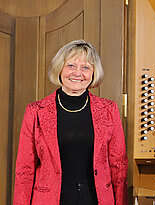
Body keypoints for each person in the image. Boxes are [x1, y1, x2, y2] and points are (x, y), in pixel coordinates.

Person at [14, 39, 128, 205]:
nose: (77, 73)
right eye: (71, 66)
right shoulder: (36, 111)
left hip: (97, 199)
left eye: (86, 67)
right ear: (59, 69)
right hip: (49, 199)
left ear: (93, 73)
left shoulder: (109, 109)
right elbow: (25, 170)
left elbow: (119, 166)